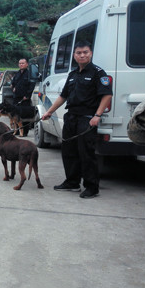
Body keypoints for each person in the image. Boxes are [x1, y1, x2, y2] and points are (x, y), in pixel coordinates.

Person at [41, 40, 112, 199]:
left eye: (85, 52)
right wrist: (49, 112)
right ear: (74, 55)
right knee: (68, 150)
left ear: (90, 53)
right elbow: (63, 96)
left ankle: (92, 187)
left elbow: (107, 94)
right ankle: (72, 182)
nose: (82, 55)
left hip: (87, 118)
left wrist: (97, 115)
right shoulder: (73, 75)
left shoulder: (98, 73)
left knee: (86, 153)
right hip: (71, 116)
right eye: (79, 53)